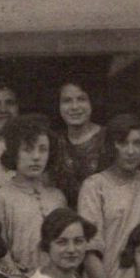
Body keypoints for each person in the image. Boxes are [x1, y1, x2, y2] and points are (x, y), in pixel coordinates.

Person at [79, 112, 140, 278]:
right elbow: (89, 248)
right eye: (122, 143)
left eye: (137, 143)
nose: (131, 151)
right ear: (111, 146)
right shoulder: (94, 186)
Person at [0, 113, 69, 277]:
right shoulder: (0, 198)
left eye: (43, 149)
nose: (36, 157)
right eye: (28, 150)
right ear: (14, 152)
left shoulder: (57, 197)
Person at [55, 77, 109, 206]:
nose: (74, 107)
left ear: (92, 102)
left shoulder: (108, 137)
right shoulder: (54, 142)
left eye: (81, 99)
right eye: (67, 101)